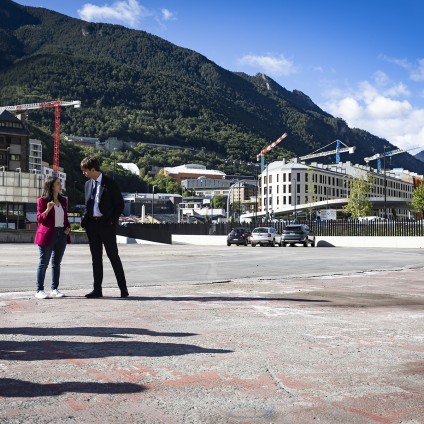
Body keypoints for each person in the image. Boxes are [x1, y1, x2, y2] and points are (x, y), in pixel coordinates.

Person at [80, 156, 129, 298]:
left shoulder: (110, 183)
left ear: (93, 169)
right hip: (92, 225)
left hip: (106, 225)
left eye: (85, 170)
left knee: (113, 256)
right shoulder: (87, 184)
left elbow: (119, 204)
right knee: (96, 259)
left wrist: (112, 221)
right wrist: (86, 220)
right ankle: (97, 290)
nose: (83, 173)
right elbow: (88, 204)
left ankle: (123, 289)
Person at [34, 176, 71, 299]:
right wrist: (47, 209)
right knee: (43, 263)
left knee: (56, 263)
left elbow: (65, 218)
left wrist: (68, 228)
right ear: (51, 186)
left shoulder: (63, 200)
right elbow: (39, 219)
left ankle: (54, 289)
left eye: (60, 183)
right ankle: (39, 290)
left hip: (61, 234)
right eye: (58, 183)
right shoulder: (42, 200)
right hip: (47, 235)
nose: (60, 185)